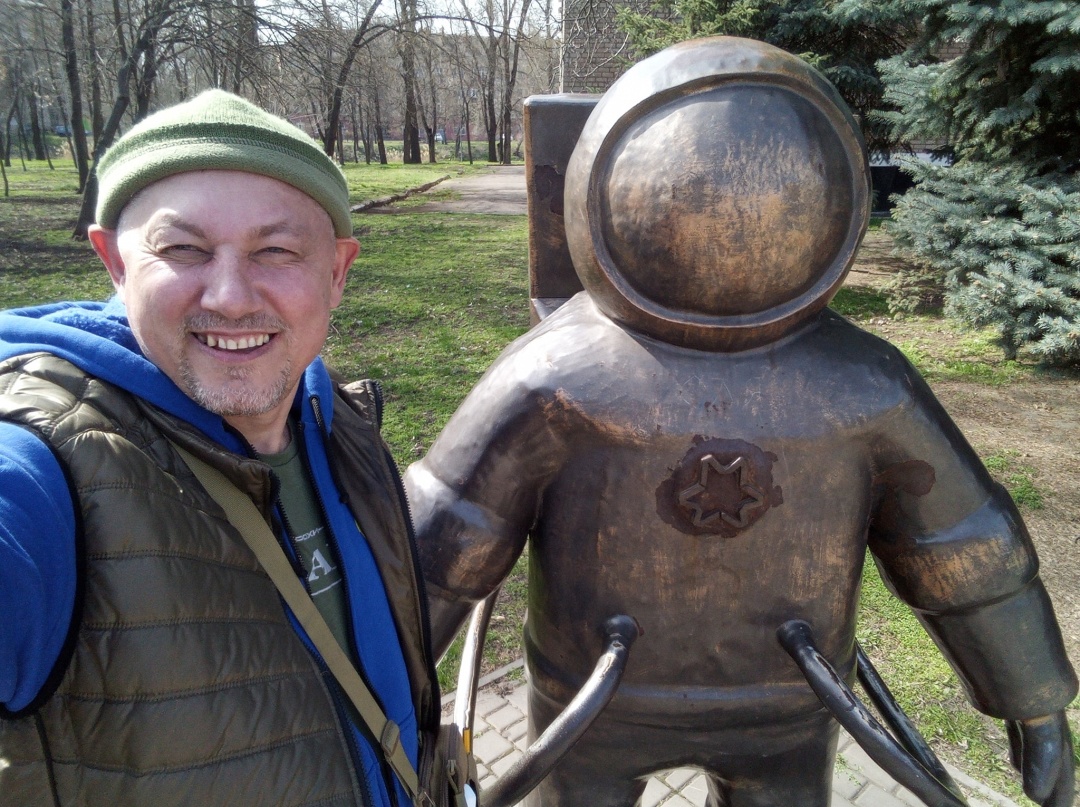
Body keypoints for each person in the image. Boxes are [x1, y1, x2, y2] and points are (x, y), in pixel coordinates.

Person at [405, 38, 1076, 807]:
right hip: (633, 695)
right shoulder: (559, 378)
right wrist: (1033, 700)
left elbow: (959, 544)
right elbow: (448, 536)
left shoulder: (862, 387)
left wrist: (1031, 694)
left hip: (759, 696)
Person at [0, 90, 438, 807]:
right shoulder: (48, 462)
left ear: (336, 273)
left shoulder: (334, 418)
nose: (231, 297)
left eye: (276, 251)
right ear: (114, 261)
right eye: (182, 249)